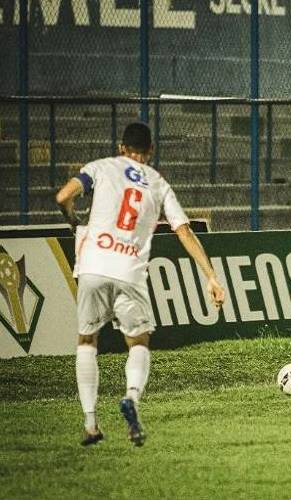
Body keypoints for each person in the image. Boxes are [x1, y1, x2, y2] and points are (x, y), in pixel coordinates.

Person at [54, 122, 225, 446]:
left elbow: (64, 196)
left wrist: (73, 218)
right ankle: (131, 396)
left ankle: (91, 423)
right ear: (150, 152)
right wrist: (211, 276)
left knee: (87, 341)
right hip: (130, 270)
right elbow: (184, 231)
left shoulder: (101, 167)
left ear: (121, 148)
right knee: (139, 342)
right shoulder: (158, 184)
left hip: (92, 265)